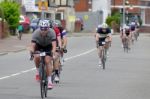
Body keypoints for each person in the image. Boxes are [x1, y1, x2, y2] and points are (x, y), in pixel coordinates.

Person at [30, 20, 56, 89]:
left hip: (48, 46)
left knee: (47, 61)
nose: (43, 30)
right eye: (42, 28)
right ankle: (38, 72)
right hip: (39, 45)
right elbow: (32, 45)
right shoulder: (36, 33)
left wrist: (52, 52)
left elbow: (54, 45)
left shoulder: (52, 32)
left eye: (45, 29)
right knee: (37, 57)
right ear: (39, 28)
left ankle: (50, 81)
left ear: (48, 28)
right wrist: (32, 51)